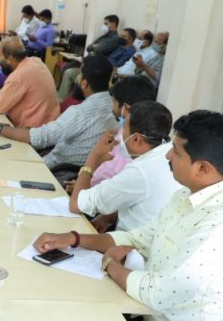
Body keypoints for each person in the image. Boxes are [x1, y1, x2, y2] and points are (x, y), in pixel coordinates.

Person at [33, 110, 223, 321]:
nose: (167, 156)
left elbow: (159, 293)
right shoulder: (185, 197)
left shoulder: (221, 224)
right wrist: (74, 239)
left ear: (202, 168)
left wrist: (111, 266)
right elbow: (138, 237)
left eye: (176, 152)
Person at [0, 54, 116, 169]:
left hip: (55, 169)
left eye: (80, 74)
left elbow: (42, 137)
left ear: (84, 83)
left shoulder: (80, 112)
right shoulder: (114, 108)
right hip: (78, 169)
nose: (77, 78)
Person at [68, 100, 181, 235]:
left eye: (124, 131)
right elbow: (142, 204)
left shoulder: (140, 171)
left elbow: (76, 205)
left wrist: (93, 156)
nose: (120, 137)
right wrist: (107, 217)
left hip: (128, 245)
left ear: (136, 139)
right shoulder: (168, 152)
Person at [86, 76, 158, 191]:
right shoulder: (142, 137)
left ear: (126, 108)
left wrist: (95, 155)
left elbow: (100, 167)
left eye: (114, 102)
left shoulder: (128, 143)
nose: (112, 107)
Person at [0, 36, 60, 129]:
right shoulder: (35, 61)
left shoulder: (18, 76)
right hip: (49, 124)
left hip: (32, 131)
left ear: (10, 58)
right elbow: (2, 61)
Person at [58, 14, 122, 99]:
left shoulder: (113, 39)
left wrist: (94, 47)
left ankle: (64, 99)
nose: (104, 26)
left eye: (106, 24)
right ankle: (63, 98)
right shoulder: (105, 36)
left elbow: (98, 50)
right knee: (65, 67)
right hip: (88, 62)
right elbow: (88, 47)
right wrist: (94, 47)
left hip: (95, 68)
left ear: (113, 24)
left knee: (69, 72)